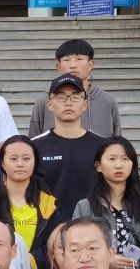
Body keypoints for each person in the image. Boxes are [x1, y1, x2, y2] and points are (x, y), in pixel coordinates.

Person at [71, 136, 140, 269]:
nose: (119, 165)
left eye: (125, 159)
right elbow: (75, 245)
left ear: (132, 165)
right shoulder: (85, 207)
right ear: (98, 166)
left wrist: (132, 262)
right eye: (112, 159)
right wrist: (105, 261)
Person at [33, 74, 106, 223]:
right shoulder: (34, 147)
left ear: (85, 104)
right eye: (61, 97)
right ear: (49, 104)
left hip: (93, 227)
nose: (68, 103)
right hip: (48, 229)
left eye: (75, 97)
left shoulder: (103, 146)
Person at [28, 38, 122, 138]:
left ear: (90, 65)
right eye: (66, 60)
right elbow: (34, 141)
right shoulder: (44, 101)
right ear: (59, 67)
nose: (73, 65)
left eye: (79, 59)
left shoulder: (107, 101)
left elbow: (117, 141)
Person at [0, 135, 58, 269]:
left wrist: (29, 264)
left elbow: (53, 246)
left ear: (35, 163)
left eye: (26, 159)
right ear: (2, 164)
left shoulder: (49, 204)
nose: (20, 164)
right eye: (13, 159)